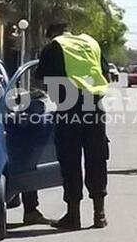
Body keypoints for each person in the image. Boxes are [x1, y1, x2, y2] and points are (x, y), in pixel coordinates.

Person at [36, 20, 110, 230]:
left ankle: (73, 216)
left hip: (69, 110)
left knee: (70, 161)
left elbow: (40, 79)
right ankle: (99, 214)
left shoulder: (54, 46)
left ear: (54, 33)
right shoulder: (91, 43)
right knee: (97, 159)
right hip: (95, 108)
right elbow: (105, 74)